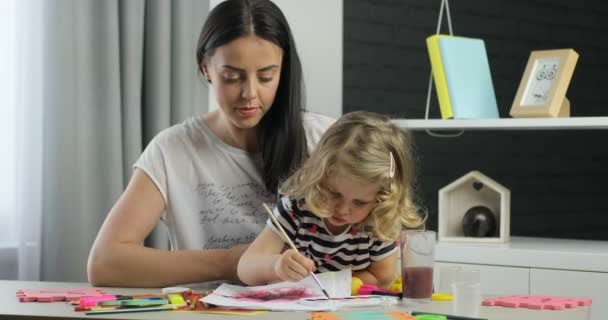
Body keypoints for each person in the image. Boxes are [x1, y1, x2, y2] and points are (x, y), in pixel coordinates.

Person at [87, 0, 334, 287]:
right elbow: (105, 263)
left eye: (266, 77)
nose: (250, 94)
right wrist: (231, 262)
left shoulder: (324, 141)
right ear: (206, 69)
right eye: (232, 77)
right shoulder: (173, 150)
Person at [238, 111, 425, 288]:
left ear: (382, 198)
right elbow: (245, 268)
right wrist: (276, 266)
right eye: (334, 193)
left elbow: (383, 278)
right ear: (318, 176)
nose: (343, 209)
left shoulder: (379, 220)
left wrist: (328, 284)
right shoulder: (297, 209)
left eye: (359, 202)